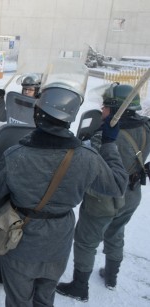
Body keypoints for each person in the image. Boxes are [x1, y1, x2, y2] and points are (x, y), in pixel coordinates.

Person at [0, 71, 128, 306]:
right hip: (58, 244)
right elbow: (118, 185)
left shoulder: (16, 155)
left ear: (38, 114)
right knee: (45, 300)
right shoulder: (88, 157)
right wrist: (109, 144)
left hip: (21, 242)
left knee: (18, 301)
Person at [56, 83, 150, 301]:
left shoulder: (105, 136)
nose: (102, 108)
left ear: (116, 109)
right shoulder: (146, 127)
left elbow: (85, 164)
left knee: (86, 241)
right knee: (116, 232)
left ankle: (80, 287)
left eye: (106, 105)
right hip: (132, 194)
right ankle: (111, 277)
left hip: (104, 197)